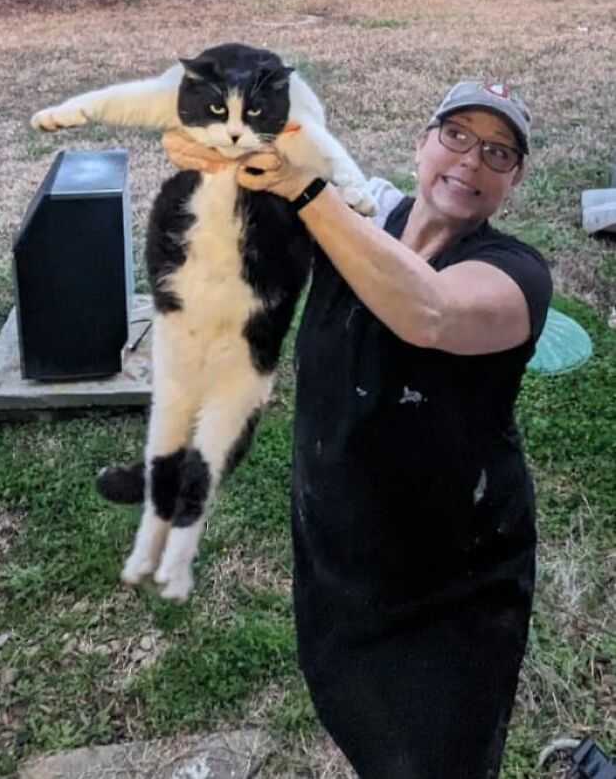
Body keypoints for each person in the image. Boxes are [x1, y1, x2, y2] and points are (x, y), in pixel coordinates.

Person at [163, 79, 553, 779]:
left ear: (514, 181)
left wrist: (310, 193)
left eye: (498, 153)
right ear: (421, 144)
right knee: (365, 733)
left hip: (452, 593)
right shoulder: (360, 219)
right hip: (341, 569)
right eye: (456, 136)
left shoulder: (517, 275)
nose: (471, 161)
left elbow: (428, 310)